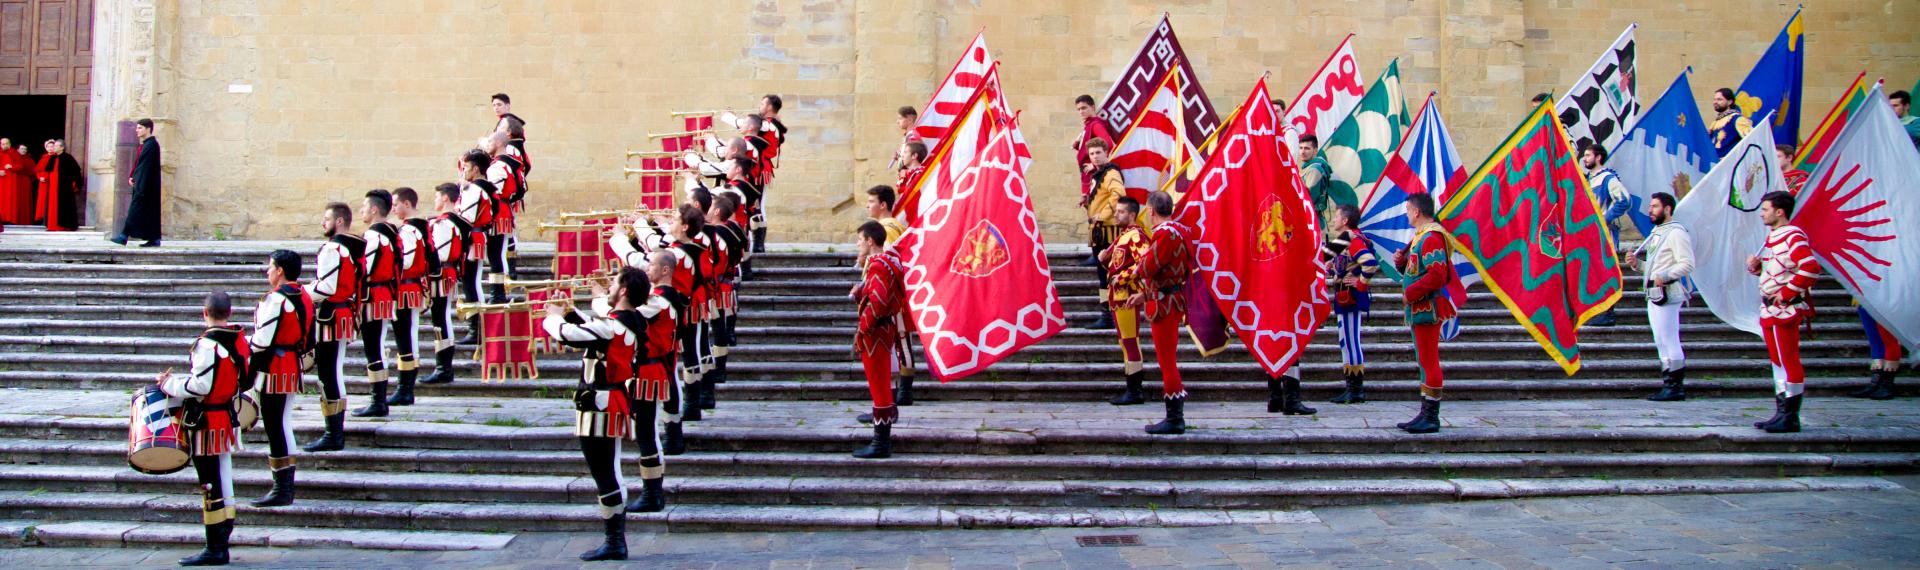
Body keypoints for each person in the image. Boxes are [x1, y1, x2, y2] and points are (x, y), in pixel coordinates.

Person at [541, 267, 654, 561]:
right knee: (608, 471)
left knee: (605, 473)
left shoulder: (615, 324)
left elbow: (570, 336)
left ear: (625, 290)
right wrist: (569, 312)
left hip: (601, 404)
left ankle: (615, 540)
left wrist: (553, 317)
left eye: (615, 283)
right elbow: (596, 332)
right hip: (608, 401)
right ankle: (614, 539)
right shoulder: (629, 322)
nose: (610, 288)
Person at [156, 292, 249, 566]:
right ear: (229, 313)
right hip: (226, 415)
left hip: (207, 421)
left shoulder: (207, 344)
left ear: (204, 313)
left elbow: (201, 386)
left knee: (210, 483)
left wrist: (168, 384)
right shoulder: (238, 339)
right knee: (223, 478)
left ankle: (215, 547)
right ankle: (222, 537)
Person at [610, 204, 709, 455]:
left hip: (669, 314)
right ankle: (680, 421)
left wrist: (623, 237)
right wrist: (648, 222)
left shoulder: (678, 254)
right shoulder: (684, 248)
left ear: (685, 226)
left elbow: (648, 258)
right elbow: (658, 245)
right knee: (675, 367)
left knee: (677, 366)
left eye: (675, 219)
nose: (672, 222)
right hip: (675, 310)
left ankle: (684, 417)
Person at [1745, 191, 1820, 433]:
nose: (1762, 213)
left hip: (1784, 308)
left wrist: (1786, 294)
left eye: (1765, 209)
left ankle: (1791, 415)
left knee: (1788, 360)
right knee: (1778, 361)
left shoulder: (1793, 235)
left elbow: (1810, 267)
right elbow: (1778, 269)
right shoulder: (1772, 237)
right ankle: (1781, 411)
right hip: (1769, 307)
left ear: (1780, 211)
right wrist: (1758, 268)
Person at [248, 250, 313, 508]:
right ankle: (284, 486)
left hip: (275, 365)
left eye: (270, 267)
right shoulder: (303, 294)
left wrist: (241, 347)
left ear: (280, 271)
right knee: (281, 422)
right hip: (290, 360)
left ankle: (282, 488)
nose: (267, 271)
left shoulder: (275, 299)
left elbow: (262, 340)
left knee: (276, 424)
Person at [1393, 193, 1456, 434]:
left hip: (1427, 305)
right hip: (1420, 307)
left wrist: (1411, 292)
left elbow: (1437, 275)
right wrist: (1401, 263)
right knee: (1424, 359)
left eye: (1408, 209)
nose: (1407, 213)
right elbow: (1416, 269)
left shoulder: (1431, 238)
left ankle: (1431, 415)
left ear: (1417, 211)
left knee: (1429, 359)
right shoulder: (1420, 238)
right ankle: (1424, 411)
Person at [303, 202, 363, 452]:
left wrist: (299, 293)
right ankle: (333, 432)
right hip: (342, 311)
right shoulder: (351, 247)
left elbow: (326, 287)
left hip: (332, 314)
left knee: (329, 373)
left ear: (339, 221)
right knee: (331, 371)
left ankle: (333, 433)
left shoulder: (332, 248)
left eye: (326, 218)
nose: (322, 223)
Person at [1625, 192, 1695, 401]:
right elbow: (1654, 268)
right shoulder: (1658, 232)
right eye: (1650, 206)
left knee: (1669, 338)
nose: (1650, 210)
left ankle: (1675, 386)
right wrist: (1638, 265)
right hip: (1654, 293)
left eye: (1655, 206)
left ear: (1667, 209)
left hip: (1669, 293)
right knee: (1660, 340)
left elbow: (1687, 263)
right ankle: (1668, 383)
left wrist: (1665, 275)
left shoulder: (1676, 233)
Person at [1137, 192, 1197, 434]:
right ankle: (1174, 415)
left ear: (1152, 210)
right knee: (1167, 359)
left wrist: (1140, 262)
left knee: (1167, 361)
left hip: (1165, 302)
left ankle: (1175, 417)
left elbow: (1148, 266)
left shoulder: (1164, 234)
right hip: (1172, 294)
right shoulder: (1183, 231)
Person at [626, 253, 681, 514]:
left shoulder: (660, 299)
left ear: (666, 269)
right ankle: (652, 491)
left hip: (650, 370)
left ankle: (652, 492)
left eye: (652, 266)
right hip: (650, 368)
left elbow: (623, 313)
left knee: (647, 434)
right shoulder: (660, 297)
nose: (648, 269)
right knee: (646, 434)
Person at [852, 220, 906, 458]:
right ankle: (880, 440)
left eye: (860, 240)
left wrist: (863, 329)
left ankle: (880, 443)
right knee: (882, 384)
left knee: (879, 387)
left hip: (876, 334)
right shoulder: (887, 263)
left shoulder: (877, 266)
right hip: (885, 331)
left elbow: (880, 301)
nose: (858, 244)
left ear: (870, 241)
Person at [860, 185, 915, 409]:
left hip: (890, 298)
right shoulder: (890, 226)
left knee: (901, 341)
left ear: (883, 205)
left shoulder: (888, 228)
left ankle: (903, 391)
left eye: (872, 201)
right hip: (888, 295)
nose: (868, 205)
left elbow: (887, 262)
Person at [353, 189, 405, 418]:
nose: (361, 211)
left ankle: (378, 400)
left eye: (364, 207)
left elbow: (366, 268)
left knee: (373, 347)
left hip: (374, 296)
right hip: (383, 293)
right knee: (376, 345)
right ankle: (379, 399)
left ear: (374, 209)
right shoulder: (391, 233)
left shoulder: (375, 235)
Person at [1323, 204, 1379, 405]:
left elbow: (1370, 263)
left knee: (1350, 340)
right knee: (1345, 340)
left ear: (1345, 220)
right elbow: (1326, 259)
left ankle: (1355, 389)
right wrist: (1332, 269)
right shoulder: (1346, 238)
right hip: (1343, 295)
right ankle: (1352, 388)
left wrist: (1360, 282)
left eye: (1337, 216)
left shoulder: (1352, 238)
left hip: (1350, 296)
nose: (1334, 220)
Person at [421, 183, 473, 386]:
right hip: (446, 272)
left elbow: (439, 253)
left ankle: (444, 368)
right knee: (441, 319)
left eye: (436, 197)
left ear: (444, 198)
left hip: (441, 273)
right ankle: (443, 367)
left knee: (440, 320)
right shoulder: (455, 221)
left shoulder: (443, 223)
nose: (434, 201)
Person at [1100, 197, 1150, 406]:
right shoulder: (1123, 236)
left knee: (1130, 341)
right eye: (1116, 211)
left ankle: (1135, 389)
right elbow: (1118, 265)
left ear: (1132, 215)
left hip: (1127, 296)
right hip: (1117, 297)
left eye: (1121, 212)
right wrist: (1105, 259)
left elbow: (1144, 263)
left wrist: (1118, 278)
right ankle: (1131, 387)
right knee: (1125, 341)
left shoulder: (1136, 236)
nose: (1116, 215)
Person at [386, 187, 431, 405]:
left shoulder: (408, 231)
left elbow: (406, 260)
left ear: (406, 203)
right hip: (409, 287)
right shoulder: (417, 228)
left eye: (395, 204)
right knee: (407, 335)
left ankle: (405, 387)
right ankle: (405, 387)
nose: (393, 208)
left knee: (405, 336)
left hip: (406, 287)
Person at [1583, 144, 1631, 326]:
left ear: (1598, 157)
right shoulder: (1587, 180)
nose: (1585, 159)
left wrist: (1604, 218)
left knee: (1605, 270)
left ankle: (1607, 311)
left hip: (1605, 232)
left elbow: (1624, 200)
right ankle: (1596, 310)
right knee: (1593, 271)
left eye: (1588, 155)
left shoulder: (1607, 179)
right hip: (1590, 234)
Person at [456, 149, 500, 337]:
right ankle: (477, 327)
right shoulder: (485, 188)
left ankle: (477, 329)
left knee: (470, 283)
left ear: (475, 169)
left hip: (472, 238)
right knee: (471, 281)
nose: (463, 171)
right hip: (477, 237)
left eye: (465, 167)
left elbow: (466, 217)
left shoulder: (474, 189)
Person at [1083, 138, 1125, 330]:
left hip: (1107, 231)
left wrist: (1102, 215)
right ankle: (1107, 314)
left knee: (1107, 276)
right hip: (1098, 232)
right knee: (1103, 276)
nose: (1095, 157)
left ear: (1106, 152)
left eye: (1098, 152)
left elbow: (1118, 194)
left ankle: (1109, 316)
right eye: (1092, 154)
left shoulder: (1111, 173)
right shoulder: (1097, 175)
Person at [115, 118, 163, 246]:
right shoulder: (146, 145)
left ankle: (123, 236)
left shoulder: (151, 145)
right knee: (149, 211)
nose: (137, 130)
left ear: (148, 129)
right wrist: (132, 176)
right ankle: (154, 239)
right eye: (137, 127)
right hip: (144, 184)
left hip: (146, 185)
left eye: (140, 128)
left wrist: (138, 182)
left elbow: (145, 167)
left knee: (135, 209)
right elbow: (139, 164)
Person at [1072, 94, 1116, 205]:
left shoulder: (1095, 125)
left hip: (1095, 174)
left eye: (1084, 108)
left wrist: (1094, 164)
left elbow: (1108, 145)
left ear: (1093, 107)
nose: (1081, 112)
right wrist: (1078, 145)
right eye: (1079, 109)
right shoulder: (1089, 125)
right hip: (1088, 176)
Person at [35, 138, 82, 232]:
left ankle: (64, 226)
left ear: (62, 148)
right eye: (54, 146)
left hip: (64, 187)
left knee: (64, 206)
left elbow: (75, 172)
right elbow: (47, 171)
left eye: (56, 146)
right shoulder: (52, 158)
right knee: (52, 206)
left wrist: (73, 183)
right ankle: (52, 226)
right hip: (52, 186)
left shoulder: (68, 158)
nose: (54, 148)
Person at [1709, 88, 1754, 159]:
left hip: (1729, 163)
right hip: (1715, 163)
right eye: (1714, 99)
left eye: (1719, 99)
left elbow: (1751, 140)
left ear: (1730, 102)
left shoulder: (1738, 119)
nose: (1715, 102)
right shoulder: (1715, 122)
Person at [491, 93, 530, 171]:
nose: (496, 108)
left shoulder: (509, 121)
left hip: (511, 154)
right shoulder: (504, 120)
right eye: (494, 105)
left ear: (508, 106)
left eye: (499, 105)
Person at [1298, 135, 1332, 220]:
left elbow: (1308, 198)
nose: (1302, 152)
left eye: (1307, 148)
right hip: (1312, 218)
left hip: (1312, 220)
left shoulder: (1314, 170)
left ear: (1315, 151)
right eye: (1301, 148)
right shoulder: (1309, 168)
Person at [0, 138, 30, 225]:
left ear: (9, 144)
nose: (5, 145)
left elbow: (20, 166)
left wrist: (11, 167)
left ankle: (9, 219)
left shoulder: (14, 153)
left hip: (11, 181)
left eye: (6, 144)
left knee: (10, 200)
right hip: (1, 181)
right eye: (3, 144)